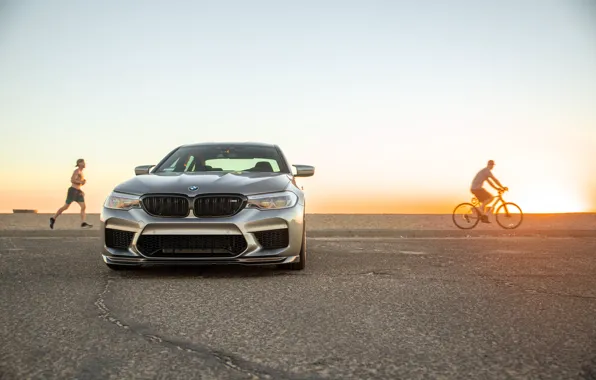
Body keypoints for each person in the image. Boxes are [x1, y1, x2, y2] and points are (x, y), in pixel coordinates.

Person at [50, 159, 93, 229]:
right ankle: (53, 218)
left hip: (78, 191)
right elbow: (72, 180)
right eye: (83, 162)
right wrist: (81, 182)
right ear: (79, 163)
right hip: (73, 191)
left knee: (83, 207)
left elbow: (78, 183)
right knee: (66, 207)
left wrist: (81, 187)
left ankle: (83, 223)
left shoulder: (81, 172)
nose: (85, 164)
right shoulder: (77, 171)